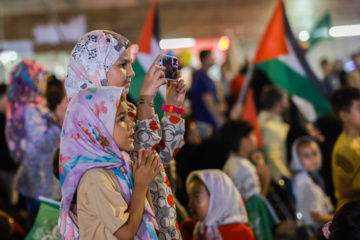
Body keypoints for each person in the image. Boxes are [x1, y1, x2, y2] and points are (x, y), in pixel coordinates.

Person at [63, 30, 186, 239]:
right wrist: (146, 98)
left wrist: (172, 109)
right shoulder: (87, 122)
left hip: (157, 213)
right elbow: (146, 156)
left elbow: (160, 157)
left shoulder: (122, 110)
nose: (131, 73)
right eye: (123, 65)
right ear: (96, 69)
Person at [59, 86, 162, 239]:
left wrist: (143, 178)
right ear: (96, 128)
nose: (130, 123)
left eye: (128, 116)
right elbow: (125, 234)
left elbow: (145, 217)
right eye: (121, 119)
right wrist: (141, 185)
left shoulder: (122, 162)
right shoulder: (95, 178)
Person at [5, 60, 64, 230]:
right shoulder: (31, 108)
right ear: (33, 80)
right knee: (43, 229)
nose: (44, 83)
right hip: (42, 181)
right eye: (42, 79)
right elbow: (40, 142)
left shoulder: (28, 105)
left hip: (40, 179)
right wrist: (58, 123)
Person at [180, 169, 254, 240]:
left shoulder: (242, 233)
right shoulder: (189, 229)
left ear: (217, 198)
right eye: (189, 198)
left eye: (197, 197)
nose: (190, 204)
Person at [289, 136, 334, 232]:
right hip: (317, 231)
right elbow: (316, 217)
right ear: (297, 158)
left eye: (314, 153)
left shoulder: (308, 176)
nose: (313, 159)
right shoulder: (305, 182)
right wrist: (338, 218)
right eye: (306, 156)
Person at [220, 120, 271, 200]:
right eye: (253, 134)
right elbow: (255, 206)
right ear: (243, 141)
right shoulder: (244, 167)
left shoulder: (230, 162)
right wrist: (265, 181)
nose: (256, 138)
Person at [330, 87, 360, 211]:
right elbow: (343, 190)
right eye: (359, 108)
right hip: (353, 217)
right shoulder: (344, 148)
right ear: (344, 115)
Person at [258, 85, 292, 182]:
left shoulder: (265, 122)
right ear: (278, 103)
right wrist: (287, 181)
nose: (287, 104)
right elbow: (274, 159)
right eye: (284, 100)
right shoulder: (270, 127)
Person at [191, 50, 225, 137]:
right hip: (206, 122)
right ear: (205, 59)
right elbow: (209, 103)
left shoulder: (208, 78)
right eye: (211, 57)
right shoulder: (200, 78)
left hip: (211, 122)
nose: (213, 59)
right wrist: (220, 120)